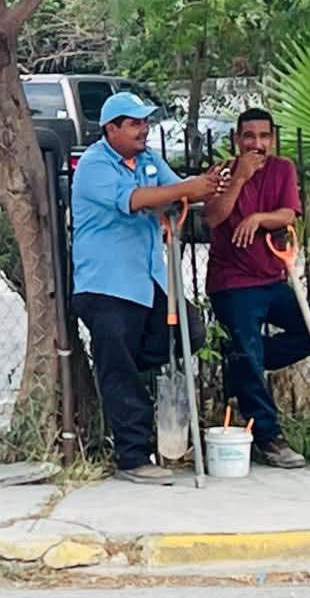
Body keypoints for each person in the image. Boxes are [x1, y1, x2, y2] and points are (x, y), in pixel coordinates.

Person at [71, 92, 225, 485]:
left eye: (145, 122)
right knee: (119, 364)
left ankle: (125, 375)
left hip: (147, 280)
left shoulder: (149, 160)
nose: (144, 129)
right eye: (135, 123)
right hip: (106, 284)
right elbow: (137, 199)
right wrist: (186, 188)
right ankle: (132, 456)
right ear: (111, 129)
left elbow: (177, 191)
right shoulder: (93, 165)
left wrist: (204, 187)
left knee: (189, 331)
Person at [204, 108, 310, 468]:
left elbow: (289, 214)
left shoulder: (282, 169)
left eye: (264, 136)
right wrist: (240, 179)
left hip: (273, 278)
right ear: (237, 139)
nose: (257, 144)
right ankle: (269, 436)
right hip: (232, 282)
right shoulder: (223, 173)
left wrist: (258, 218)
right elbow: (213, 217)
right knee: (248, 349)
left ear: (273, 139)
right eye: (249, 136)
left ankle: (240, 368)